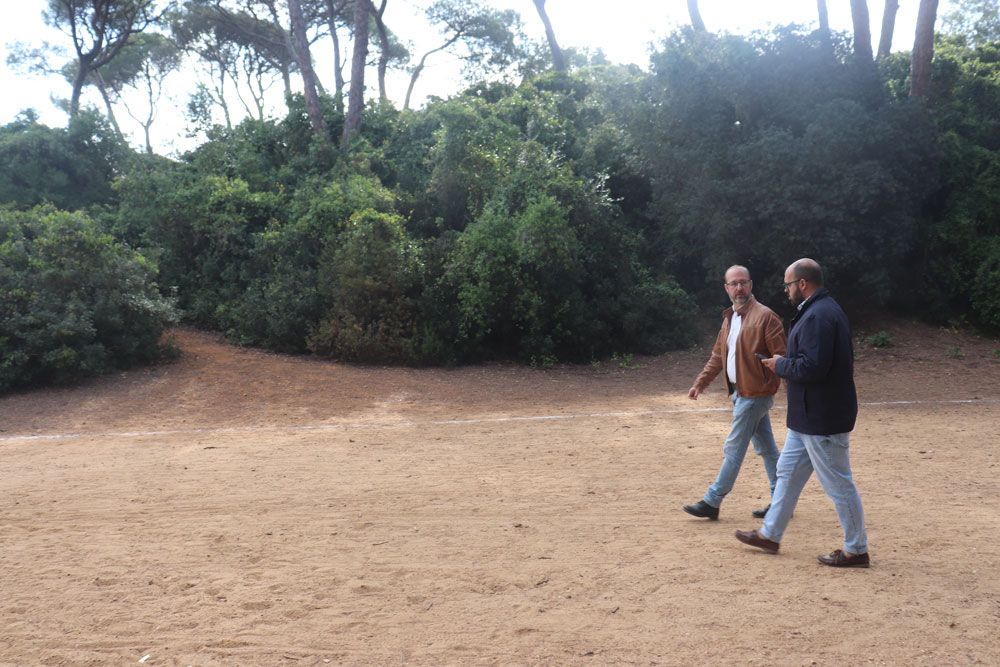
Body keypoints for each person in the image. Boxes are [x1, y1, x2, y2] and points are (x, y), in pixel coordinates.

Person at [735, 258, 870, 568]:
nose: (786, 291)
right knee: (787, 473)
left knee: (838, 483)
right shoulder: (819, 311)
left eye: (788, 285)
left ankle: (856, 548)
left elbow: (814, 367)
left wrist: (780, 364)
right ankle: (770, 533)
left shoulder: (819, 316)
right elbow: (813, 361)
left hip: (822, 417)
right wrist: (784, 361)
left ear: (803, 284)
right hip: (808, 417)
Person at [682, 265, 787, 521]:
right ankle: (781, 500)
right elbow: (718, 355)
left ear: (751, 285)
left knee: (734, 447)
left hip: (755, 394)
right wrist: (700, 383)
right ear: (726, 288)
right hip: (741, 393)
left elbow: (782, 357)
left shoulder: (766, 317)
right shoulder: (730, 317)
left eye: (743, 282)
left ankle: (712, 500)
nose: (739, 288)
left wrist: (785, 388)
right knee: (767, 449)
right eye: (734, 284)